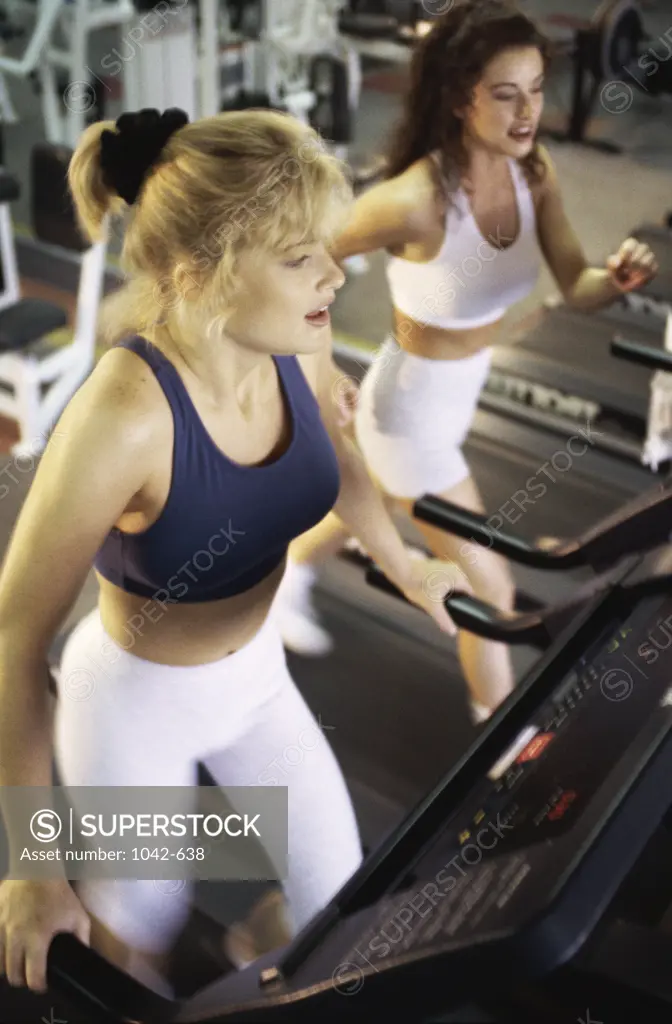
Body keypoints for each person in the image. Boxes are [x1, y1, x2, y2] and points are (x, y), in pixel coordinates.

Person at [0, 107, 466, 998]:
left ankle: (254, 937)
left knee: (338, 902)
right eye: (300, 258)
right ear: (197, 274)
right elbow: (15, 642)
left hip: (255, 684)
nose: (337, 272)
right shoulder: (123, 418)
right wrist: (33, 866)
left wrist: (403, 560)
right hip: (132, 706)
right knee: (139, 944)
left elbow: (338, 461)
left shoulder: (301, 331)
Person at [273, 0, 659, 722]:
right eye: (506, 94)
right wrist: (318, 369)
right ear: (459, 98)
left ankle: (288, 572)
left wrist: (618, 280)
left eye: (538, 89)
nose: (528, 112)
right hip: (408, 414)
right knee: (492, 589)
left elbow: (575, 283)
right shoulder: (415, 200)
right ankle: (502, 736)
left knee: (381, 499)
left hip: (451, 398)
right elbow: (296, 264)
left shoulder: (532, 173)